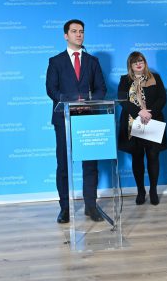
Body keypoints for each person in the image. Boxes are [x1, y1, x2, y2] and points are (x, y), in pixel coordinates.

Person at [46, 19, 107, 223]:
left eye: (81, 31)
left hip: (88, 118)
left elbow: (101, 89)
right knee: (63, 165)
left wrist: (88, 101)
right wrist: (72, 100)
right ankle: (65, 208)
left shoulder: (92, 61)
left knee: (90, 165)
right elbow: (51, 90)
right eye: (74, 31)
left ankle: (91, 206)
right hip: (63, 118)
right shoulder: (55, 61)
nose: (79, 34)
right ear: (66, 35)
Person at [117, 51, 167, 206]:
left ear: (145, 63)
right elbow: (122, 100)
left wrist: (150, 113)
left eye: (141, 61)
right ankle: (141, 191)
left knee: (153, 156)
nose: (139, 64)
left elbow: (162, 98)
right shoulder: (125, 80)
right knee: (137, 157)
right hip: (133, 123)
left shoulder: (155, 77)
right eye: (135, 62)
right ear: (130, 65)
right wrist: (139, 112)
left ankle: (153, 190)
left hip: (153, 121)